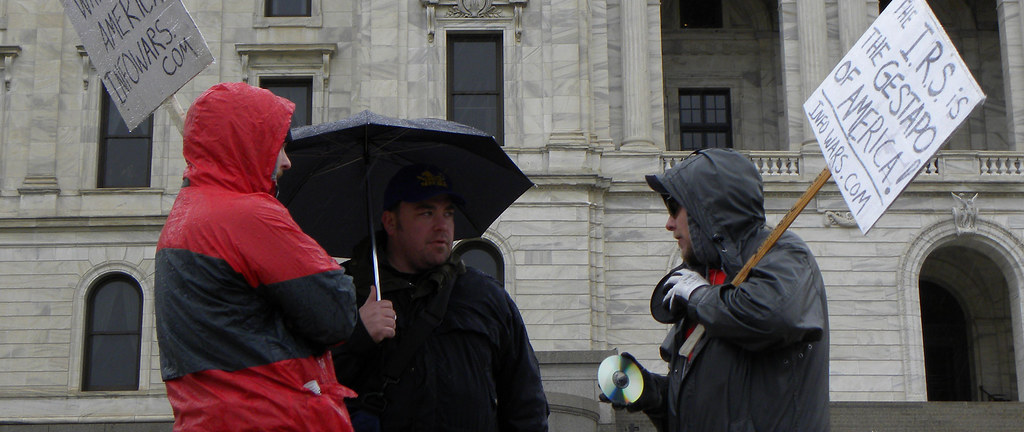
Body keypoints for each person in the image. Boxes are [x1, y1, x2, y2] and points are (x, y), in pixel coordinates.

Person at [155, 82, 360, 432]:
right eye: (277, 145)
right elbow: (336, 313)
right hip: (272, 417)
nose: (286, 161)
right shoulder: (247, 215)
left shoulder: (181, 220)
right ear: (246, 143)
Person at [603, 148, 830, 432]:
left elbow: (775, 314)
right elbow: (709, 407)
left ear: (706, 209)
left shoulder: (783, 253)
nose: (669, 223)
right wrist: (655, 393)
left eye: (674, 208)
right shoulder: (707, 278)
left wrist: (700, 297)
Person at [332, 162, 549, 432]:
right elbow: (308, 387)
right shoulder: (343, 292)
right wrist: (357, 336)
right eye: (426, 213)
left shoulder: (486, 296)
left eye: (448, 213)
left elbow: (526, 403)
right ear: (390, 221)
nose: (442, 226)